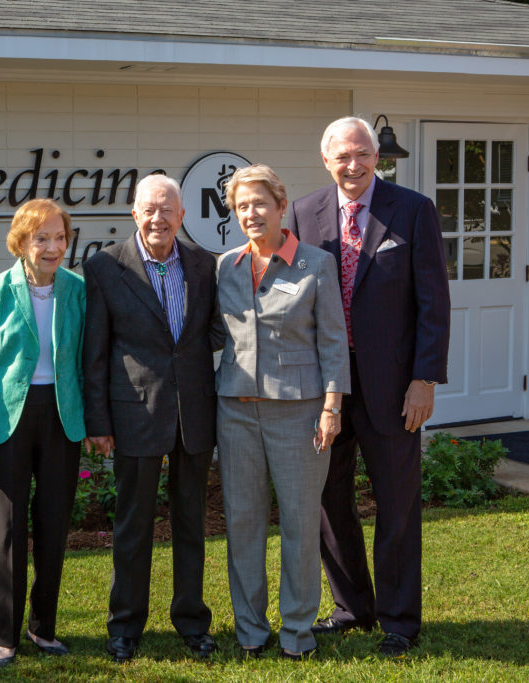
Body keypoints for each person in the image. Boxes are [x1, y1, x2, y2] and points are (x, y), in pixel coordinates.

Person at [289, 116, 451, 656]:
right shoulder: (302, 214)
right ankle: (352, 605)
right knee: (327, 500)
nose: (353, 165)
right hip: (326, 387)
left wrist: (424, 378)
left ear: (376, 156)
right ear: (326, 159)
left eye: (362, 154)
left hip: (393, 386)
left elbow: (433, 302)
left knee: (397, 505)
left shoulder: (413, 210)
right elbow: (292, 299)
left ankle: (399, 620)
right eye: (342, 156)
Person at [82, 173, 222, 663]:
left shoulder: (206, 265)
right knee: (133, 525)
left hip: (195, 413)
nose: (158, 218)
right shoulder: (103, 267)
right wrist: (97, 421)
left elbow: (217, 333)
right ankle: (124, 627)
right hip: (135, 411)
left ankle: (191, 622)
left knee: (191, 523)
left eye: (168, 209)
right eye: (149, 209)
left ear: (182, 216)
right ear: (134, 214)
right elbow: (94, 350)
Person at [215, 164, 350, 660]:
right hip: (235, 412)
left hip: (300, 413)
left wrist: (332, 407)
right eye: (241, 206)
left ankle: (297, 632)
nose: (251, 213)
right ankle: (251, 631)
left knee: (298, 525)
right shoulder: (224, 266)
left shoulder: (314, 263)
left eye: (259, 204)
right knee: (243, 524)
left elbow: (333, 340)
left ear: (279, 204)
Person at [0, 197, 86, 669]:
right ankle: (5, 636)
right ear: (22, 241)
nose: (52, 247)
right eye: (42, 238)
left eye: (59, 237)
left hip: (62, 416)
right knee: (8, 531)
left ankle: (43, 628)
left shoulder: (77, 290)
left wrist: (95, 422)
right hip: (6, 422)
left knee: (53, 525)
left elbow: (86, 360)